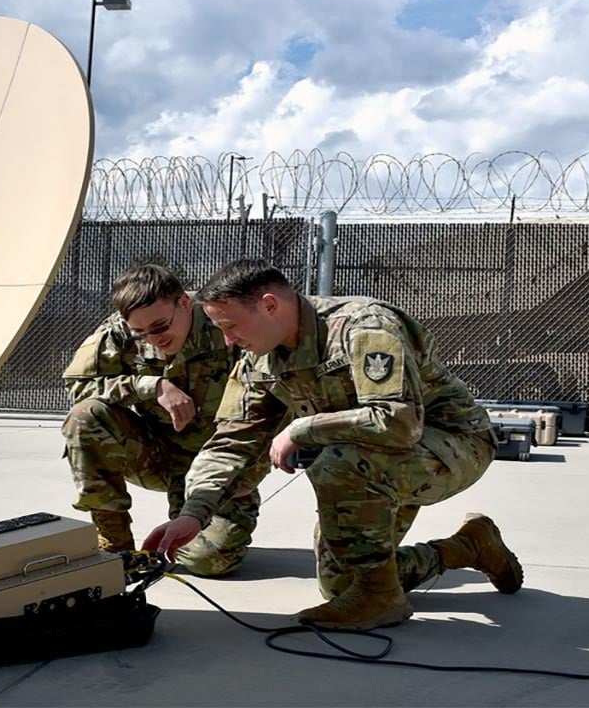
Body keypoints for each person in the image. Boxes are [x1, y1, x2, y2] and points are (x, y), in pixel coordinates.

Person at [144, 259, 522, 629]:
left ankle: (382, 599)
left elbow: (399, 423)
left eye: (230, 326)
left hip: (453, 444)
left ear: (269, 306)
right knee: (341, 584)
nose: (227, 339)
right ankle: (469, 546)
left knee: (336, 463)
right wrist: (193, 514)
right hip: (373, 462)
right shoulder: (260, 359)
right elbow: (231, 441)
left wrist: (303, 429)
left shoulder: (365, 327)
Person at [62, 264, 268, 576]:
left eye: (159, 326)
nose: (152, 338)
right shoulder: (120, 332)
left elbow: (275, 401)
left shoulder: (225, 326)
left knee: (207, 561)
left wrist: (252, 471)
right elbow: (78, 386)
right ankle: (114, 542)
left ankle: (197, 521)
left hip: (221, 466)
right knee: (86, 417)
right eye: (141, 332)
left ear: (184, 302)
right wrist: (150, 386)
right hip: (156, 454)